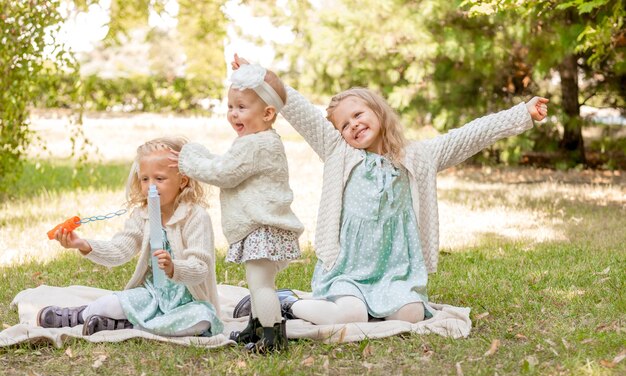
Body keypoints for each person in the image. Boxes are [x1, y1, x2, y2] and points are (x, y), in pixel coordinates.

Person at [232, 55, 549, 325]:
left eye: (358, 115)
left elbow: (471, 135)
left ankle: (373, 305)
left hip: (395, 273)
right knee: (350, 315)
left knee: (411, 314)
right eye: (344, 124)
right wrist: (258, 77)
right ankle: (285, 304)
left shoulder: (418, 156)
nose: (352, 125)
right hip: (348, 271)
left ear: (378, 112)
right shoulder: (339, 152)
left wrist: (523, 114)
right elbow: (298, 108)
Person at [169, 62, 304, 353]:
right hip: (264, 225)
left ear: (267, 114)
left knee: (261, 285)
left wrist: (189, 158)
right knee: (258, 281)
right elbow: (226, 166)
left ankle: (272, 338)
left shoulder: (254, 145)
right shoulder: (260, 140)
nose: (233, 113)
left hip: (262, 228)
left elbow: (223, 173)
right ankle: (257, 326)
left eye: (241, 107)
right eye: (230, 106)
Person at [38, 137, 223, 338]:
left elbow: (200, 267)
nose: (150, 186)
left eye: (159, 179)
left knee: (203, 319)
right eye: (145, 179)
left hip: (189, 301)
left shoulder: (195, 217)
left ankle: (128, 327)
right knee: (111, 303)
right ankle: (80, 315)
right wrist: (84, 245)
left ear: (183, 180)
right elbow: (120, 250)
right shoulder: (142, 216)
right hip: (152, 295)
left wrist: (174, 267)